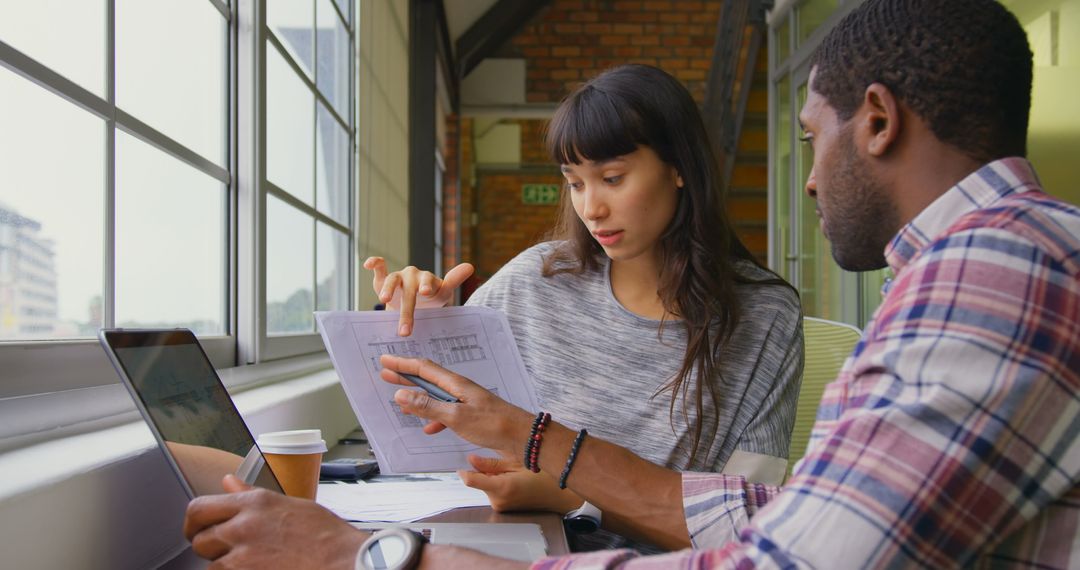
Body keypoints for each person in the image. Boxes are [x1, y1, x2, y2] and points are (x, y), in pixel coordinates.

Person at [183, 0, 1080, 567]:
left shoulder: (981, 279)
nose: (809, 179)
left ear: (876, 121)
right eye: (576, 183)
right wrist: (426, 330)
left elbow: (776, 551)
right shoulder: (976, 266)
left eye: (811, 139)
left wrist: (382, 556)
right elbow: (793, 513)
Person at [365, 63, 804, 551]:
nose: (591, 207)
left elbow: (749, 525)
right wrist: (416, 323)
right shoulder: (535, 281)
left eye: (612, 178)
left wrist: (575, 499)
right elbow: (413, 406)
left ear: (679, 166)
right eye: (575, 182)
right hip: (514, 550)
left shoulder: (764, 317)